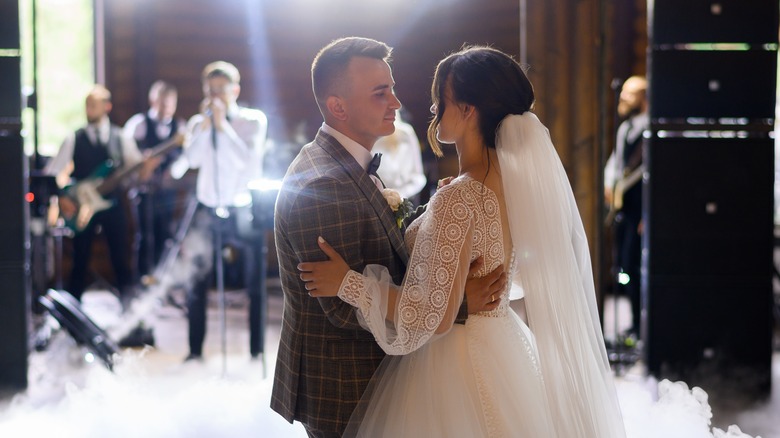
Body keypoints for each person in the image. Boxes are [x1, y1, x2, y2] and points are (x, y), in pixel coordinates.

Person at [299, 46, 627, 437]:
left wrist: (347, 282)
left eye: (441, 99)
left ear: (468, 110)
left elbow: (432, 317)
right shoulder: (512, 187)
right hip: (502, 344)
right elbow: (507, 276)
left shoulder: (460, 197)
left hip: (455, 361)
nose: (433, 108)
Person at [270, 37, 505, 437]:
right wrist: (458, 302)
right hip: (347, 389)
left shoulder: (348, 162)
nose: (396, 102)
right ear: (338, 106)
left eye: (392, 89)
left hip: (377, 382)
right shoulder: (323, 183)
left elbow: (383, 247)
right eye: (380, 93)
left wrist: (436, 218)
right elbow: (343, 307)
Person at [170, 61, 268, 361]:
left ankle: (256, 351)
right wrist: (204, 128)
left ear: (234, 91)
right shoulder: (199, 122)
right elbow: (191, 160)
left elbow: (248, 162)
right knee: (196, 281)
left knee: (255, 283)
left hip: (242, 209)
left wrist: (223, 125)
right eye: (209, 90)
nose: (214, 96)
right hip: (207, 209)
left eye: (220, 90)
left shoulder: (253, 121)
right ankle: (195, 350)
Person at [44, 85, 143, 307]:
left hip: (112, 204)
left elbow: (136, 169)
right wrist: (62, 197)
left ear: (107, 107)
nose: (89, 110)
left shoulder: (120, 137)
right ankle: (72, 310)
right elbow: (52, 173)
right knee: (79, 259)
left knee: (120, 257)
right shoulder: (74, 138)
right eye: (87, 105)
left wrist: (145, 167)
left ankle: (130, 310)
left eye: (94, 105)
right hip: (81, 207)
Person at [123, 80, 186, 279]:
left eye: (170, 103)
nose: (166, 107)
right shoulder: (138, 124)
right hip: (143, 190)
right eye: (162, 102)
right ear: (153, 101)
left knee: (165, 235)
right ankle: (141, 281)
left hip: (167, 191)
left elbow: (185, 157)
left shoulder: (180, 127)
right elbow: (125, 156)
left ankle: (162, 280)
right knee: (144, 236)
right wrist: (142, 167)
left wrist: (174, 172)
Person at [604, 75, 648, 341]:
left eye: (630, 95)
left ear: (643, 99)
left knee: (638, 265)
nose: (623, 99)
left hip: (641, 210)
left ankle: (643, 326)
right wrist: (610, 184)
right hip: (625, 209)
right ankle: (633, 322)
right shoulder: (625, 129)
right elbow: (617, 163)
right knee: (626, 265)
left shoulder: (649, 130)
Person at [370, 108, 427, 202]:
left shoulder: (405, 133)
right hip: (375, 200)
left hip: (403, 200)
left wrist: (398, 196)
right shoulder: (367, 135)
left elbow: (418, 177)